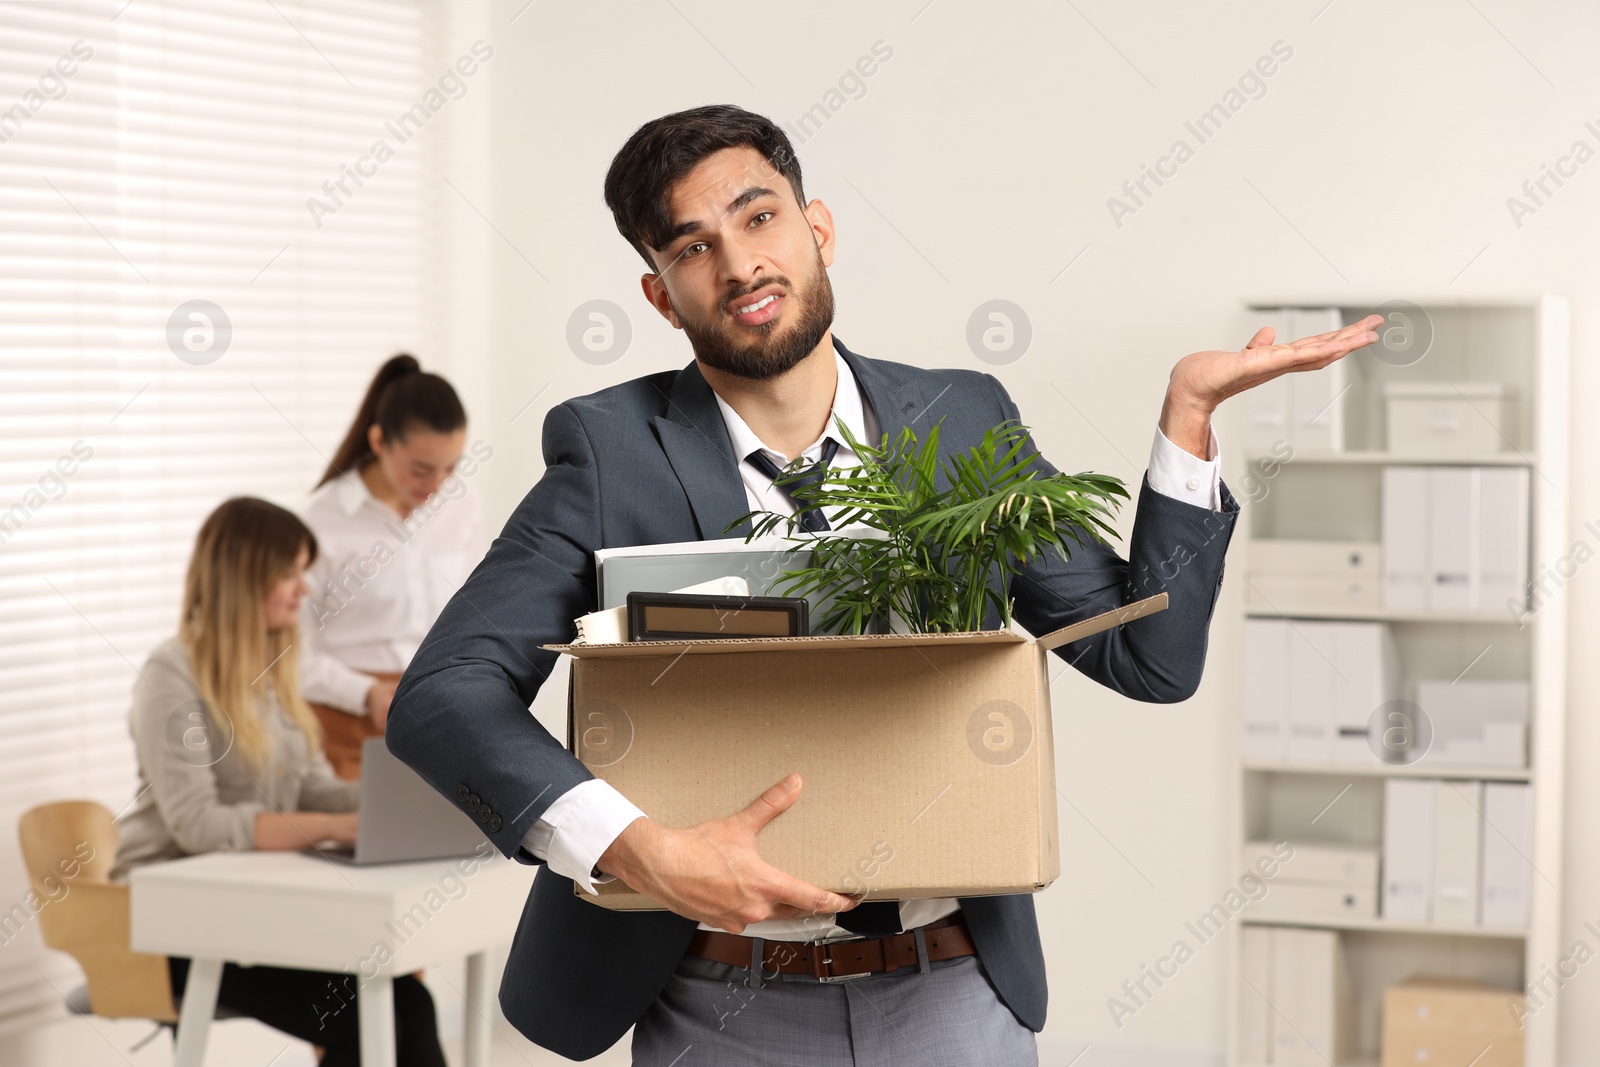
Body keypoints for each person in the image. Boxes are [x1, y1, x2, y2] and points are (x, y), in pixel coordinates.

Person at [385, 105, 1384, 1065]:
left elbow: (1146, 656)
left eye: (758, 216)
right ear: (659, 294)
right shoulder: (610, 450)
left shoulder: (960, 416)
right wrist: (634, 845)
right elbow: (444, 695)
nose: (737, 265)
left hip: (954, 995)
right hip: (715, 1003)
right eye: (690, 247)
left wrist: (1187, 420)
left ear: (816, 228)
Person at [111, 497, 447, 1067]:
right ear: (243, 578)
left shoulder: (274, 667)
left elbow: (312, 786)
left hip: (251, 903)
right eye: (289, 574)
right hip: (171, 919)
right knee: (376, 1011)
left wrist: (402, 798)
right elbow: (199, 824)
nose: (303, 590)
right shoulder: (172, 675)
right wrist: (336, 825)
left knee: (400, 999)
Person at [299, 355, 486, 779]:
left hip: (437, 716)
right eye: (421, 469)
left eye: (451, 468)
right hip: (343, 725)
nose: (438, 486)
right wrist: (365, 694)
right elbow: (288, 653)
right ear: (380, 441)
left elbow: (473, 615)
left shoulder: (463, 504)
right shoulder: (321, 520)